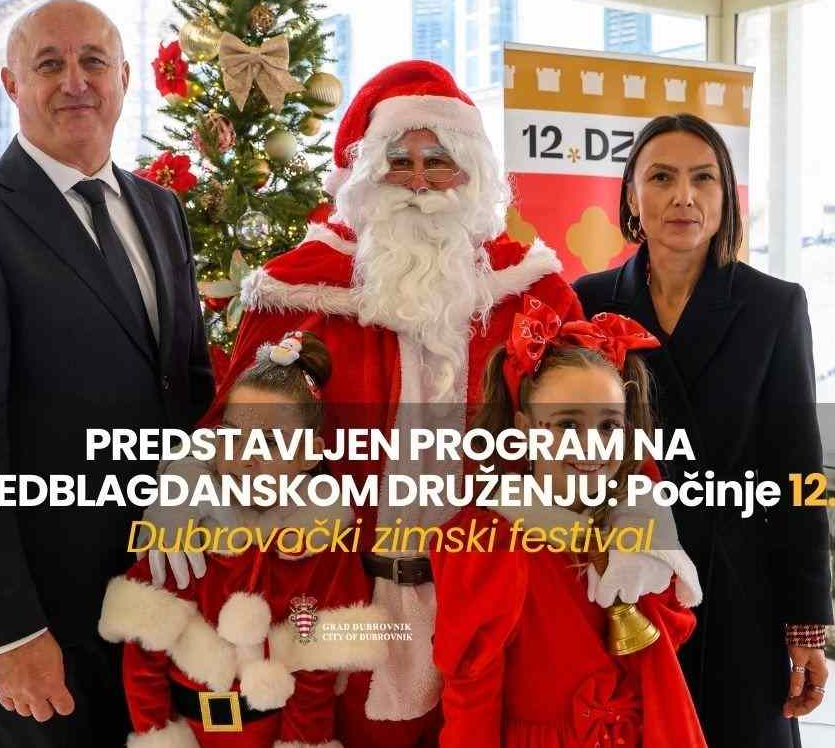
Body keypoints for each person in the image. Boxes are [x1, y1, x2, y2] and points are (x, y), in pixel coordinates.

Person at [171, 62, 693, 748]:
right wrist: (187, 484)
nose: (419, 181)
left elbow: (599, 415)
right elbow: (233, 422)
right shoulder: (299, 293)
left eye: (439, 161)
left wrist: (639, 516)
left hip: (501, 611)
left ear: (470, 172)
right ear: (365, 174)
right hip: (346, 603)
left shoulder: (532, 290)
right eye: (399, 161)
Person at [0, 0, 214, 747]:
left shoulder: (160, 209)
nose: (75, 81)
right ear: (12, 84)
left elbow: (188, 388)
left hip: (156, 596)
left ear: (123, 78)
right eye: (50, 64)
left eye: (93, 62)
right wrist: (12, 631)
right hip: (41, 621)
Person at [573, 113, 833, 748]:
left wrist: (806, 624)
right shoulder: (587, 300)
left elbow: (798, 467)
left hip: (739, 587)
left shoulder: (774, 305)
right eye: (661, 177)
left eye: (703, 178)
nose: (683, 196)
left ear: (726, 197)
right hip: (620, 579)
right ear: (631, 196)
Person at [432, 299, 705, 748]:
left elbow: (664, 650)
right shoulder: (490, 547)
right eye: (567, 425)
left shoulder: (641, 533)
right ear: (524, 429)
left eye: (608, 426)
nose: (592, 446)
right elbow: (470, 703)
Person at [100, 331, 386, 748]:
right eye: (233, 434)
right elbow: (143, 661)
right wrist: (157, 735)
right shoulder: (185, 529)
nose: (245, 457)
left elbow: (316, 676)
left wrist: (301, 743)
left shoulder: (323, 545)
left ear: (309, 454)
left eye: (269, 442)